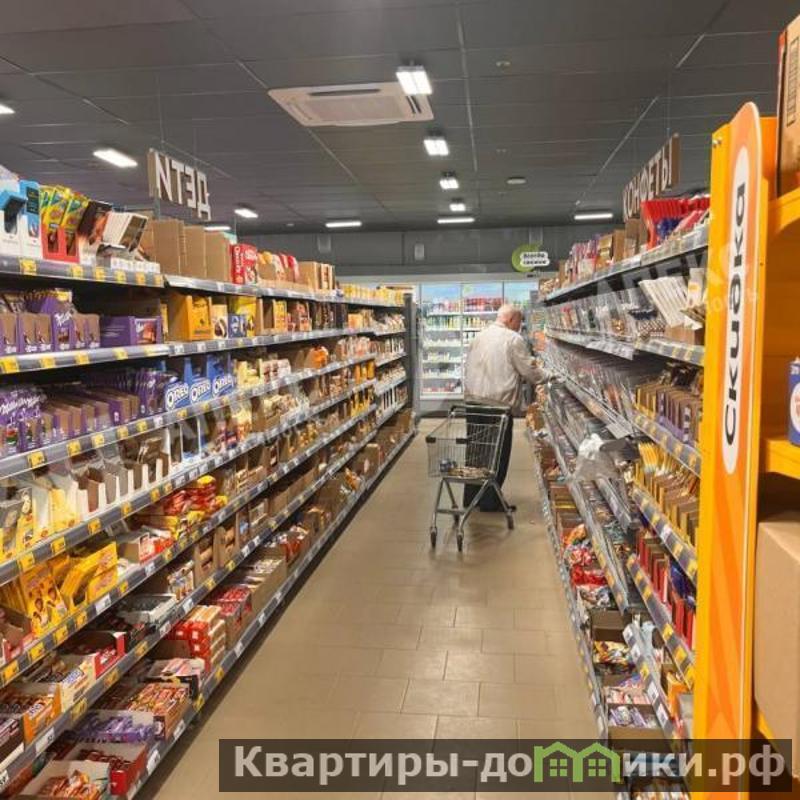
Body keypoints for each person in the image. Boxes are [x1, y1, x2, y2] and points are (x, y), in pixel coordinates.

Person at [462, 304, 546, 511]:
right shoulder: (513, 339)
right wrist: (548, 376)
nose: (520, 326)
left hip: (473, 401)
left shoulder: (480, 336)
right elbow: (528, 370)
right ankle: (491, 501)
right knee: (497, 454)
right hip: (497, 404)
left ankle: (471, 498)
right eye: (519, 321)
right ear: (511, 320)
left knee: (476, 451)